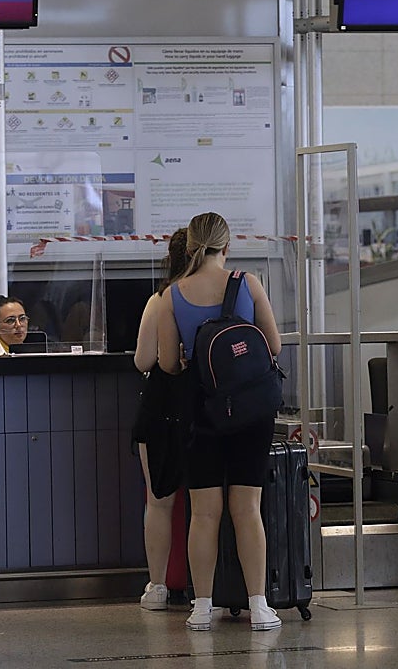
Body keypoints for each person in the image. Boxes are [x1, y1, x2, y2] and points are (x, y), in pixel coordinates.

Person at [157, 212, 283, 632]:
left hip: (201, 412)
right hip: (251, 411)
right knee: (248, 509)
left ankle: (202, 606)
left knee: (204, 513)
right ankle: (260, 605)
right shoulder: (248, 284)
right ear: (227, 246)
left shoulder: (172, 294)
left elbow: (167, 364)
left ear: (190, 246)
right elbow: (274, 345)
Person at [132, 227, 189, 611]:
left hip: (161, 408)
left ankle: (157, 586)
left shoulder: (160, 299)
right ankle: (210, 587)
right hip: (208, 408)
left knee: (159, 501)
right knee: (208, 504)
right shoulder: (224, 295)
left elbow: (142, 361)